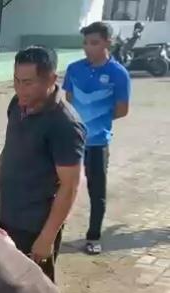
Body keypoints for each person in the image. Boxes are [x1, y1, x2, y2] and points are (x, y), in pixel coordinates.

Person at [0, 46, 86, 283]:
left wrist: (47, 237)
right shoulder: (17, 105)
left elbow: (70, 186)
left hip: (35, 225)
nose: (20, 89)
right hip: (7, 215)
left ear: (51, 79)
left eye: (28, 83)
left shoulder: (65, 124)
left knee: (36, 290)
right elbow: (9, 149)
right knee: (7, 281)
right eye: (16, 81)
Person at [64, 22, 131, 255]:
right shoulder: (74, 69)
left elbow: (122, 110)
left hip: (97, 143)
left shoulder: (118, 74)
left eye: (94, 43)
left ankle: (93, 237)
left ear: (107, 43)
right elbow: (69, 101)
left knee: (97, 192)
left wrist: (96, 120)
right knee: (59, 186)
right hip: (70, 140)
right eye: (85, 43)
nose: (87, 48)